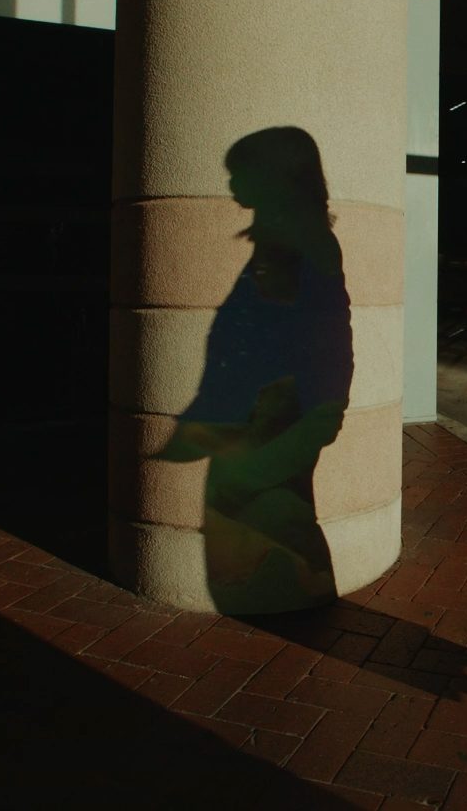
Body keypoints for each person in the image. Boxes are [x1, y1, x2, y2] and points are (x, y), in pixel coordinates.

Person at [151, 127, 352, 612]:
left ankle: (296, 648)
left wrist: (305, 429)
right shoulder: (283, 241)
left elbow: (313, 345)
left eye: (240, 170)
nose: (232, 182)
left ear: (276, 175)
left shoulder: (303, 245)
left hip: (275, 429)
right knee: (268, 546)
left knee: (277, 548)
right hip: (262, 426)